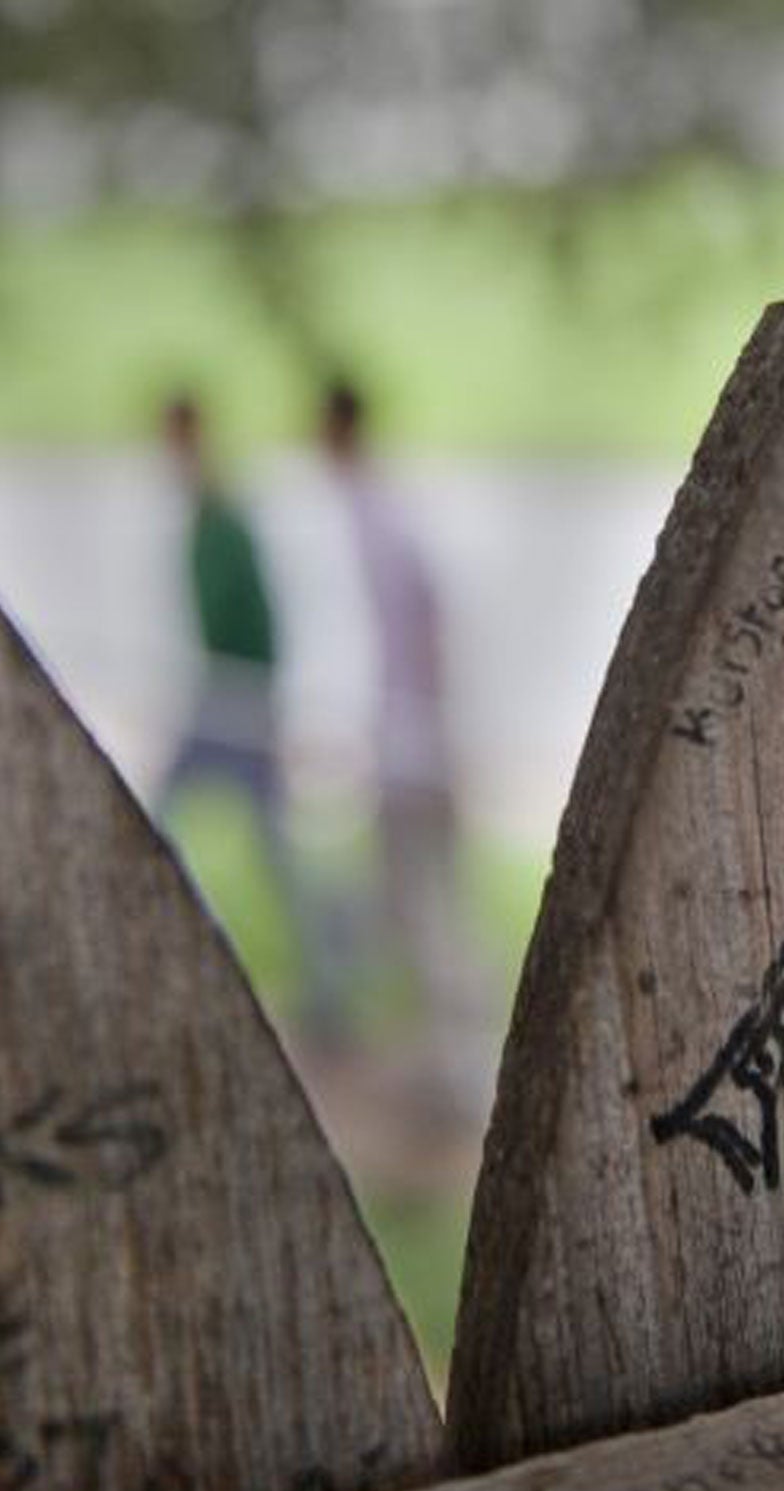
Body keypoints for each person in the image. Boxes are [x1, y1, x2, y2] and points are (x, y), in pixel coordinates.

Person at [155, 390, 345, 1040]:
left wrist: (257, 701)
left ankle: (326, 981)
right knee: (259, 843)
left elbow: (253, 620)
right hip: (224, 695)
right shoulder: (208, 515)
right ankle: (321, 978)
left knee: (174, 824)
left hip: (235, 701)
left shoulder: (222, 521)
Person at [319, 379, 482, 1088]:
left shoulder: (374, 517)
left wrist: (414, 732)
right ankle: (416, 1050)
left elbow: (414, 629)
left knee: (424, 908)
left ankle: (461, 1066)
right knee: (398, 902)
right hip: (407, 741)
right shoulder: (374, 510)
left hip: (410, 747)